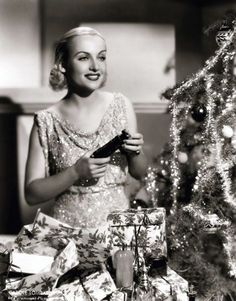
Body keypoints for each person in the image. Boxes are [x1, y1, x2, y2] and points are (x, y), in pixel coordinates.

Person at [25, 26, 148, 228]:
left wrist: (135, 153)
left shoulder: (121, 105)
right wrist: (74, 172)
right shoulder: (46, 120)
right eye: (83, 58)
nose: (95, 66)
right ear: (63, 64)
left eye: (101, 57)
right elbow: (31, 193)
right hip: (68, 233)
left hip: (117, 230)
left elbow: (140, 172)